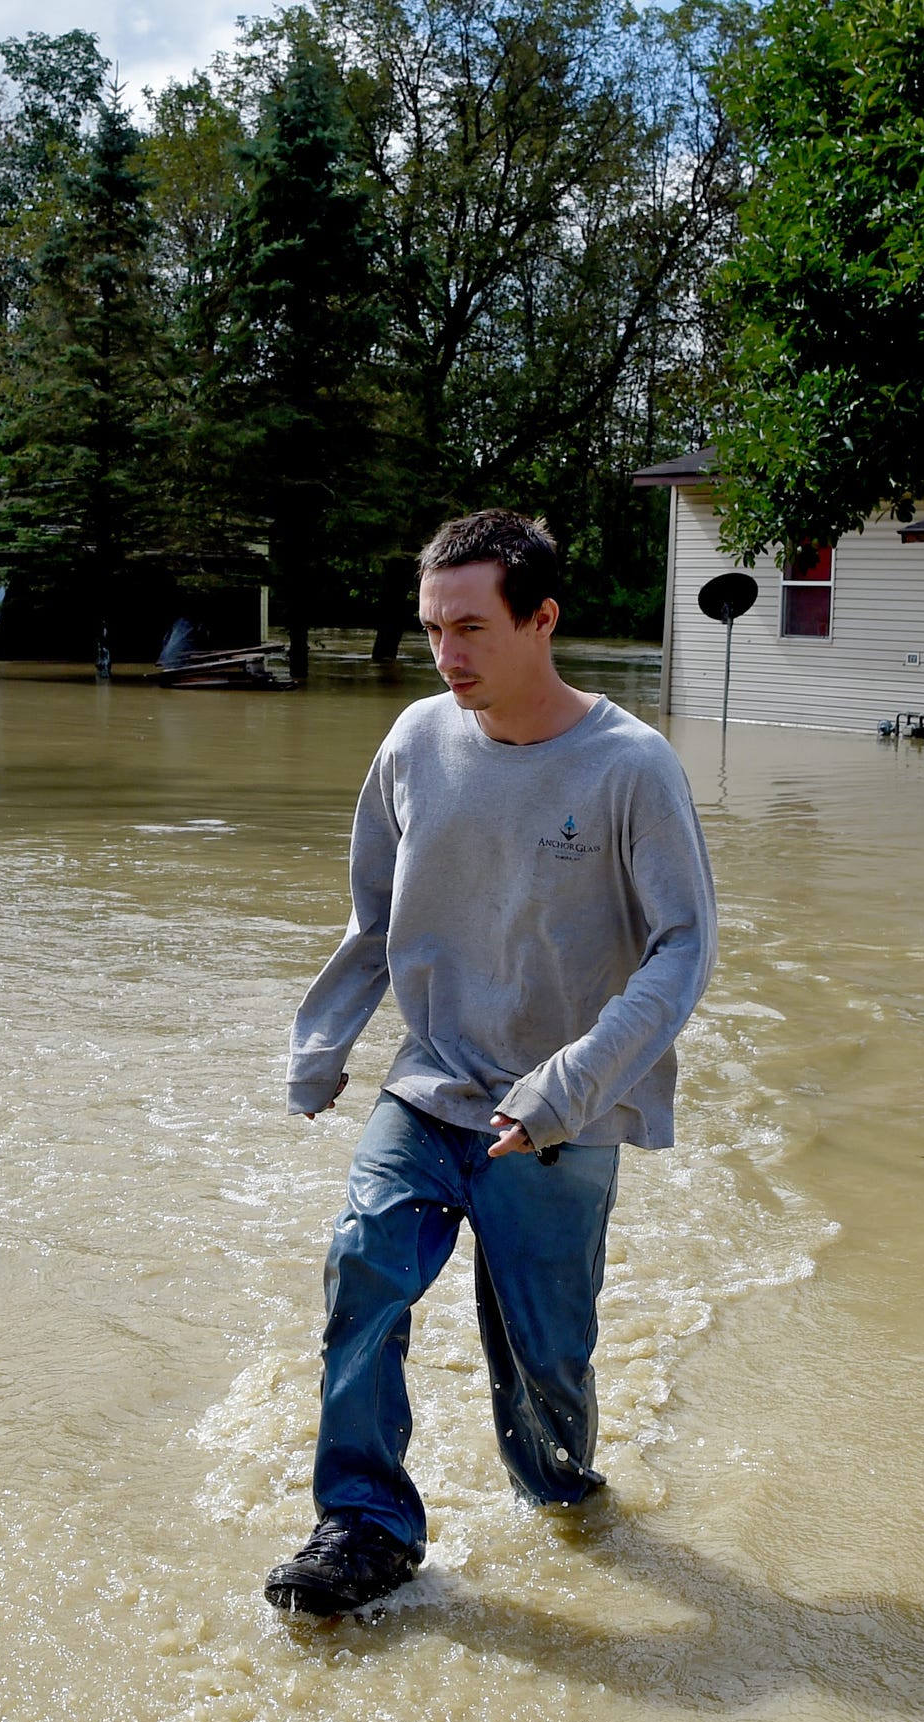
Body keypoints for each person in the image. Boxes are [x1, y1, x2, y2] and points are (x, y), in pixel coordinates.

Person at [265, 509, 718, 1618]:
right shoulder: (414, 742)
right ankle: (363, 1526)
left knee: (542, 1367)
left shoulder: (628, 767)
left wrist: (569, 1085)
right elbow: (375, 916)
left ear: (541, 618)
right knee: (363, 1266)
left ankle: (565, 1503)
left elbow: (683, 948)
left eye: (468, 628)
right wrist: (323, 1041)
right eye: (431, 629)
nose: (446, 655)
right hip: (430, 1083)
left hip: (561, 1116)